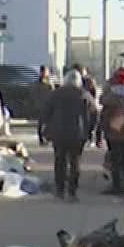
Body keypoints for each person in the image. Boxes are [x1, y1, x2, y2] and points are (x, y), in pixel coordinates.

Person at [42, 69, 98, 200]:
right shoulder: (84, 95)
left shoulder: (55, 94)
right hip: (78, 134)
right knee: (75, 162)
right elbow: (94, 114)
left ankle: (60, 189)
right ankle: (72, 191)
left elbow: (45, 113)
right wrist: (90, 131)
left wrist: (44, 131)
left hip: (58, 133)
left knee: (59, 160)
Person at [32, 66, 56, 144]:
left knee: (50, 123)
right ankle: (41, 139)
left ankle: (48, 137)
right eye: (44, 71)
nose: (45, 73)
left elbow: (53, 93)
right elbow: (35, 95)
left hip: (49, 105)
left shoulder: (50, 82)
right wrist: (37, 104)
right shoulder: (37, 83)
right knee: (41, 123)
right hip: (41, 106)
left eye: (46, 71)